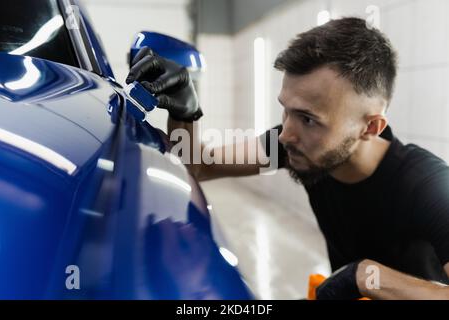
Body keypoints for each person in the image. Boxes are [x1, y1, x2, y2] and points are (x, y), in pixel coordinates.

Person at [126, 17, 449, 300]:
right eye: (287, 109)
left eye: (308, 119)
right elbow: (196, 167)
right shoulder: (299, 146)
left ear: (371, 127)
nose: (284, 135)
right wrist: (187, 113)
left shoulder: (428, 185)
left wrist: (366, 277)